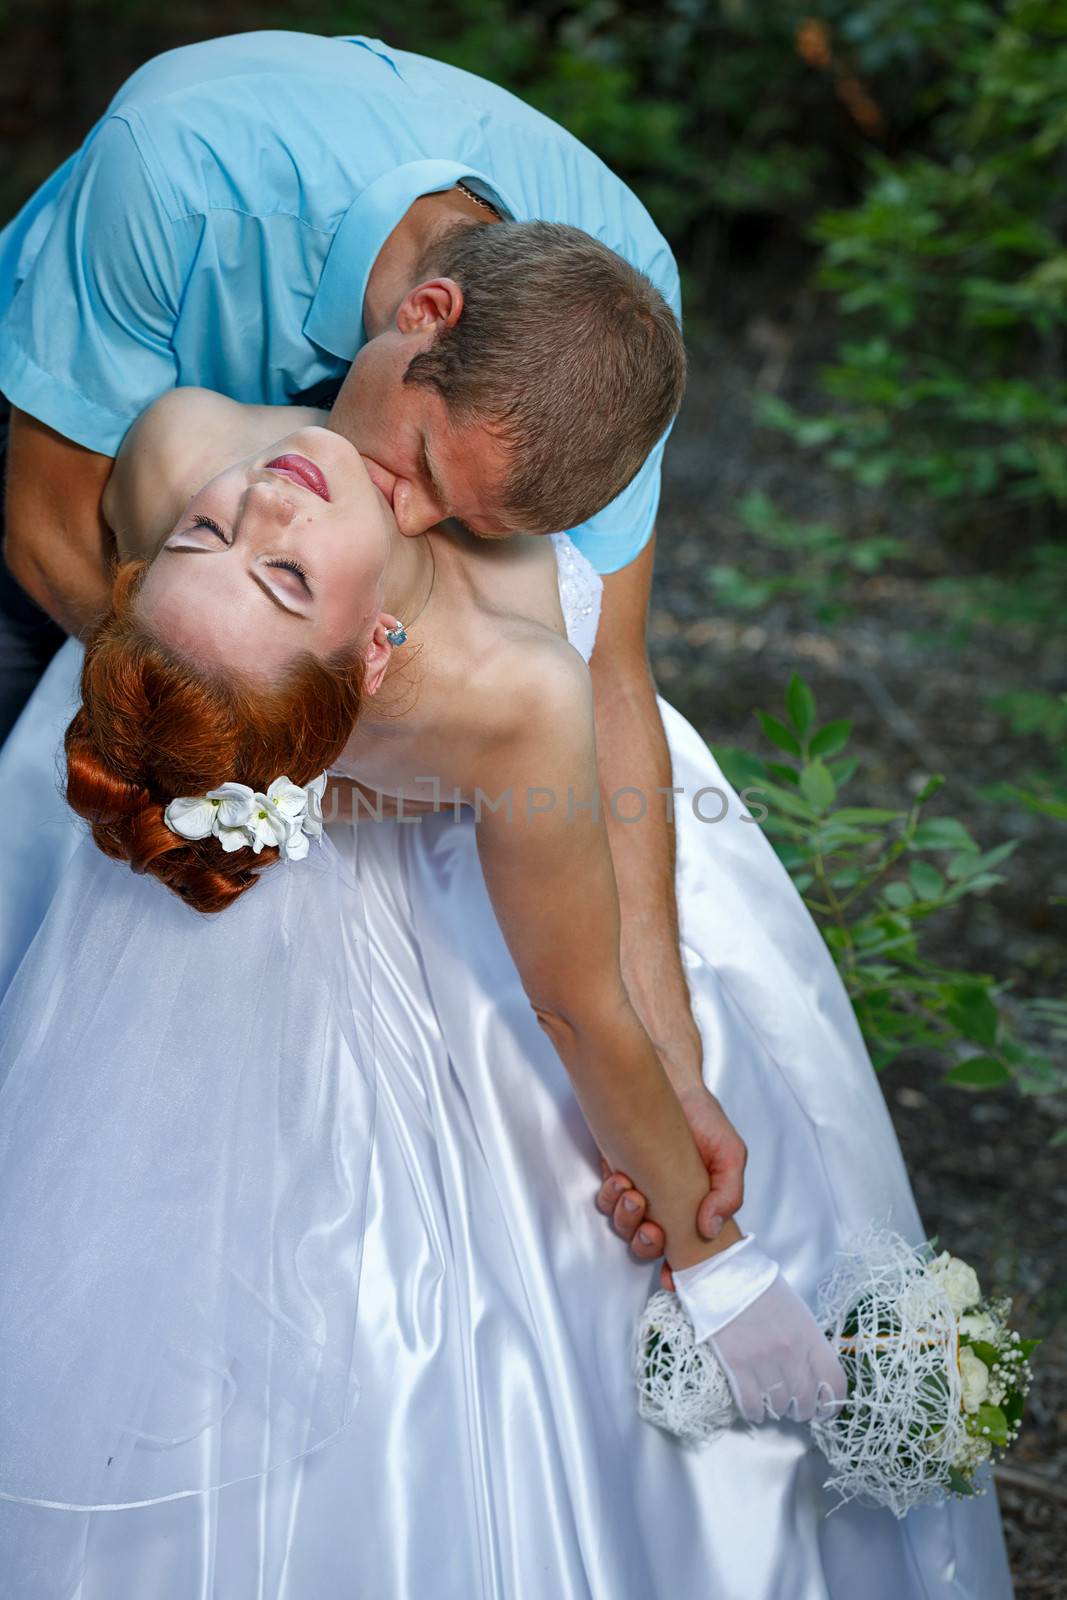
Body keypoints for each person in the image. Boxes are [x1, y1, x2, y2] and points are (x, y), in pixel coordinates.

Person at [0, 391, 1013, 1598]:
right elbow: (580, 1008)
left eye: (207, 537)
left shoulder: (180, 447)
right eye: (277, 574)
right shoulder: (508, 694)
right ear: (376, 652)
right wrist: (714, 1259)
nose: (261, 500)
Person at [0, 29, 731, 1252]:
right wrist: (257, 741)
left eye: (465, 522)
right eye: (425, 469)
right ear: (424, 315)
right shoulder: (175, 173)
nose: (407, 521)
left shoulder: (612, 319)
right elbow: (40, 528)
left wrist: (670, 1052)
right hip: (70, 488)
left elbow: (610, 677)